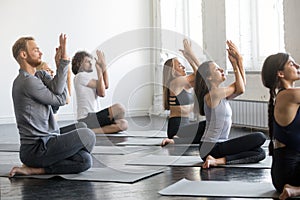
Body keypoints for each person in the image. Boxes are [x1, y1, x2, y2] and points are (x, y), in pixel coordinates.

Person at [9, 34, 96, 176]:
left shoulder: (39, 76)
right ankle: (35, 168)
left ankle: (48, 163)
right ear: (24, 54)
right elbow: (61, 99)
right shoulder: (26, 82)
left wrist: (59, 65)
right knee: (88, 136)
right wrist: (63, 63)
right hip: (37, 149)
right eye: (36, 50)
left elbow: (57, 98)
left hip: (49, 139)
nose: (41, 52)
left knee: (84, 152)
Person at [193, 40, 266, 168]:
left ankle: (217, 161)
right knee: (260, 137)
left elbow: (241, 87)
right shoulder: (213, 95)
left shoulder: (220, 94)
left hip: (216, 147)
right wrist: (237, 62)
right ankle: (215, 159)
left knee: (259, 153)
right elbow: (241, 88)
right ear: (209, 77)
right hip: (211, 147)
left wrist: (239, 62)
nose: (221, 70)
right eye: (216, 69)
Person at [261, 53, 300, 199]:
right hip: (289, 173)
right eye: (292, 64)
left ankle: (295, 190)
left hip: (285, 175)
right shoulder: (287, 95)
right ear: (280, 73)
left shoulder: (290, 96)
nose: (297, 66)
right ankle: (295, 190)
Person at [72, 50, 128, 134]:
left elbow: (105, 85)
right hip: (86, 118)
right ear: (78, 64)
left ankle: (91, 131)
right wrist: (99, 70)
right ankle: (88, 130)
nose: (91, 63)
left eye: (91, 61)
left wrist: (103, 67)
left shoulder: (87, 78)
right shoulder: (80, 76)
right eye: (87, 61)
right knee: (120, 108)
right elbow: (102, 93)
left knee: (123, 124)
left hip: (94, 117)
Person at [162, 39, 206, 143]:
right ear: (173, 71)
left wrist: (189, 58)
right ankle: (178, 139)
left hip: (186, 126)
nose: (183, 67)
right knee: (209, 125)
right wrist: (191, 55)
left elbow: (201, 77)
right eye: (179, 65)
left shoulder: (183, 83)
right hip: (177, 127)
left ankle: (179, 140)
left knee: (210, 134)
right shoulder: (176, 82)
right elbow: (202, 72)